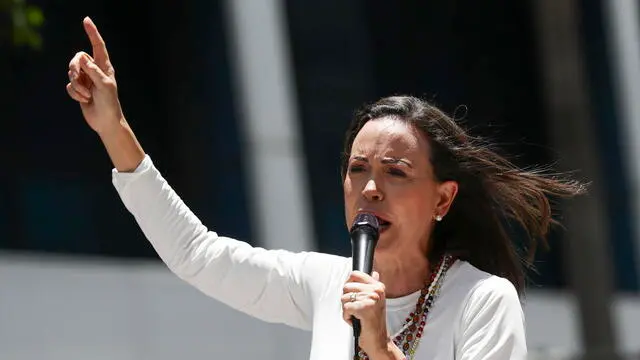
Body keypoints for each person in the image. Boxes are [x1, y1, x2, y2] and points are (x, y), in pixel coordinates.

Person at [66, 17, 585, 360]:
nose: (370, 188)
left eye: (396, 172)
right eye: (357, 169)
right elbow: (198, 254)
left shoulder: (482, 301)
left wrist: (381, 349)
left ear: (444, 199)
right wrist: (114, 128)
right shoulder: (325, 283)